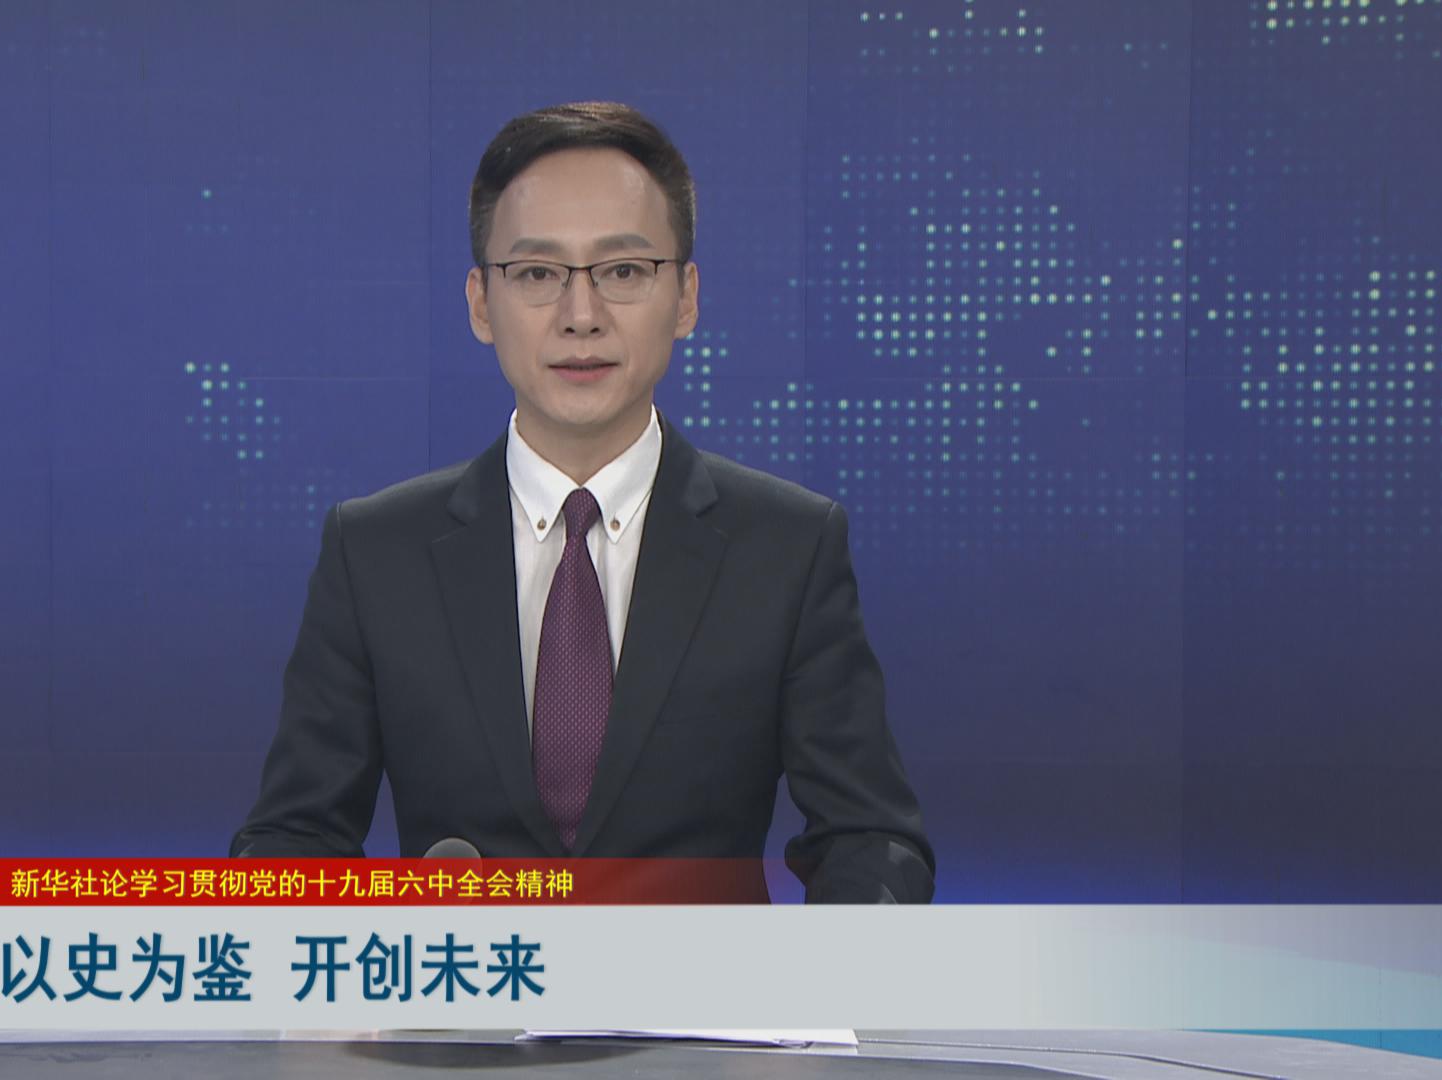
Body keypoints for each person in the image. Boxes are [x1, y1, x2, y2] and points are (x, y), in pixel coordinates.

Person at [231, 102, 934, 903]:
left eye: (623, 271)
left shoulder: (788, 548)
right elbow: (292, 838)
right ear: (480, 303)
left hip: (707, 988)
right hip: (472, 982)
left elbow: (871, 839)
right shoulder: (375, 553)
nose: (581, 316)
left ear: (687, 297)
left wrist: (826, 967)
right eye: (537, 274)